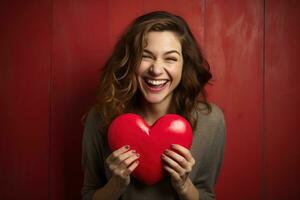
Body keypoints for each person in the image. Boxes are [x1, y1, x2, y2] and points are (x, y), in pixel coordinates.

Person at [81, 11, 226, 200]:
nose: (156, 70)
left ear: (185, 64)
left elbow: (207, 195)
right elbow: (88, 195)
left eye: (170, 58)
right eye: (145, 56)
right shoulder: (100, 118)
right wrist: (115, 185)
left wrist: (184, 185)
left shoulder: (211, 121)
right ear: (130, 61)